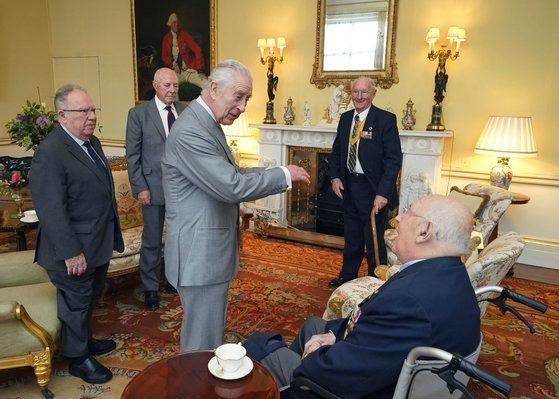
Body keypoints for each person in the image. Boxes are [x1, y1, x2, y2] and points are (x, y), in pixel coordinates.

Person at [244, 194, 481, 398]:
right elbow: (378, 336)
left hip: (361, 389)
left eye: (407, 211)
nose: (397, 218)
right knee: (314, 327)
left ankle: (291, 387)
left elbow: (342, 374)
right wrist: (332, 336)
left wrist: (316, 356)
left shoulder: (410, 301)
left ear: (424, 231)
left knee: (261, 345)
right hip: (384, 367)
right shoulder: (449, 274)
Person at [161, 59, 311, 352]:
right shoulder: (192, 130)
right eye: (239, 97)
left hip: (206, 253)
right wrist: (282, 175)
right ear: (214, 88)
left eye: (248, 99)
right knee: (200, 343)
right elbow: (231, 186)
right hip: (198, 255)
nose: (243, 107)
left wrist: (278, 171)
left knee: (208, 336)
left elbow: (233, 174)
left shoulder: (206, 122)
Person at [30, 84, 124, 384]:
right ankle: (78, 359)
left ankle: (83, 341)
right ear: (62, 115)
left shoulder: (91, 143)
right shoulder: (51, 152)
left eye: (93, 110)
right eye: (83, 111)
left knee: (90, 297)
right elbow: (51, 209)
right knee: (76, 302)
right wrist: (70, 251)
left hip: (96, 243)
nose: (92, 116)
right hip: (72, 249)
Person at [327, 76, 402, 288]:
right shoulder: (345, 118)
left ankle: (376, 281)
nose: (359, 96)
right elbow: (337, 152)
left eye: (364, 92)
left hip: (373, 190)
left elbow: (393, 160)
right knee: (352, 237)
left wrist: (383, 193)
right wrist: (335, 177)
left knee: (374, 239)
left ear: (373, 94)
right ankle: (347, 277)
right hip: (349, 187)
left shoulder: (385, 120)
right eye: (355, 92)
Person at [125, 67, 185, 310]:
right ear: (156, 86)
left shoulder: (185, 111)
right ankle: (150, 287)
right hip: (152, 187)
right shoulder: (139, 114)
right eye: (167, 86)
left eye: (175, 86)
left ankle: (172, 279)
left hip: (182, 189)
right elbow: (132, 155)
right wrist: (140, 187)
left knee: (176, 238)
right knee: (151, 240)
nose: (172, 90)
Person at [161, 12, 206, 89]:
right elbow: (164, 56)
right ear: (170, 24)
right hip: (176, 73)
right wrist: (173, 64)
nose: (177, 25)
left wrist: (200, 70)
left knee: (206, 85)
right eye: (174, 23)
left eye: (178, 22)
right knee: (169, 89)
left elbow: (198, 50)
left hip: (189, 71)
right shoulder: (166, 38)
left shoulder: (185, 35)